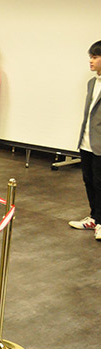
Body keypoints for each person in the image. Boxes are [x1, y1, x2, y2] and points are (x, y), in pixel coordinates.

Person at [69, 40, 101, 240]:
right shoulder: (92, 83)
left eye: (95, 57)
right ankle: (94, 217)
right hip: (87, 141)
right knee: (88, 180)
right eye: (90, 56)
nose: (90, 61)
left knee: (100, 182)